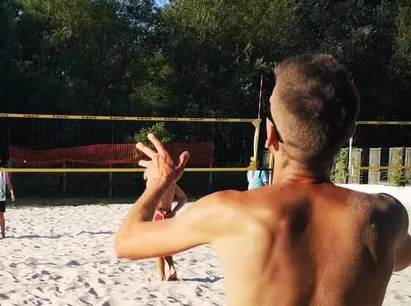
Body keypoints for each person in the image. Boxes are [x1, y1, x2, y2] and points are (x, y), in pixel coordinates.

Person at [115, 54, 411, 306]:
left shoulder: (230, 211)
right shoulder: (385, 216)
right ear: (350, 134)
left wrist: (158, 184)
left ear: (270, 135)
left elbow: (126, 243)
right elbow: (401, 260)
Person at [146, 170, 187, 281]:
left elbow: (150, 202)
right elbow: (183, 198)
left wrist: (158, 210)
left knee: (157, 248)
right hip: (169, 216)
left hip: (160, 216)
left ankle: (161, 276)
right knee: (166, 246)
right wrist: (174, 210)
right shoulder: (172, 183)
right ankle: (171, 267)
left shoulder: (156, 184)